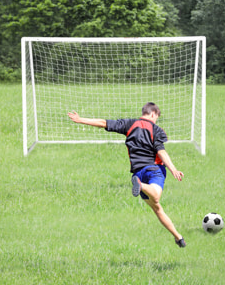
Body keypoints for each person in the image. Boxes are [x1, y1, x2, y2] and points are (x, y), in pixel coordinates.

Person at [67, 102, 186, 248]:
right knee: (156, 196)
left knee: (157, 207)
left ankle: (178, 237)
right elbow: (161, 151)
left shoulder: (129, 124)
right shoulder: (156, 129)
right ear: (153, 114)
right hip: (154, 170)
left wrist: (81, 120)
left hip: (138, 172)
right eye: (156, 117)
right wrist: (173, 168)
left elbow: (104, 123)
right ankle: (141, 186)